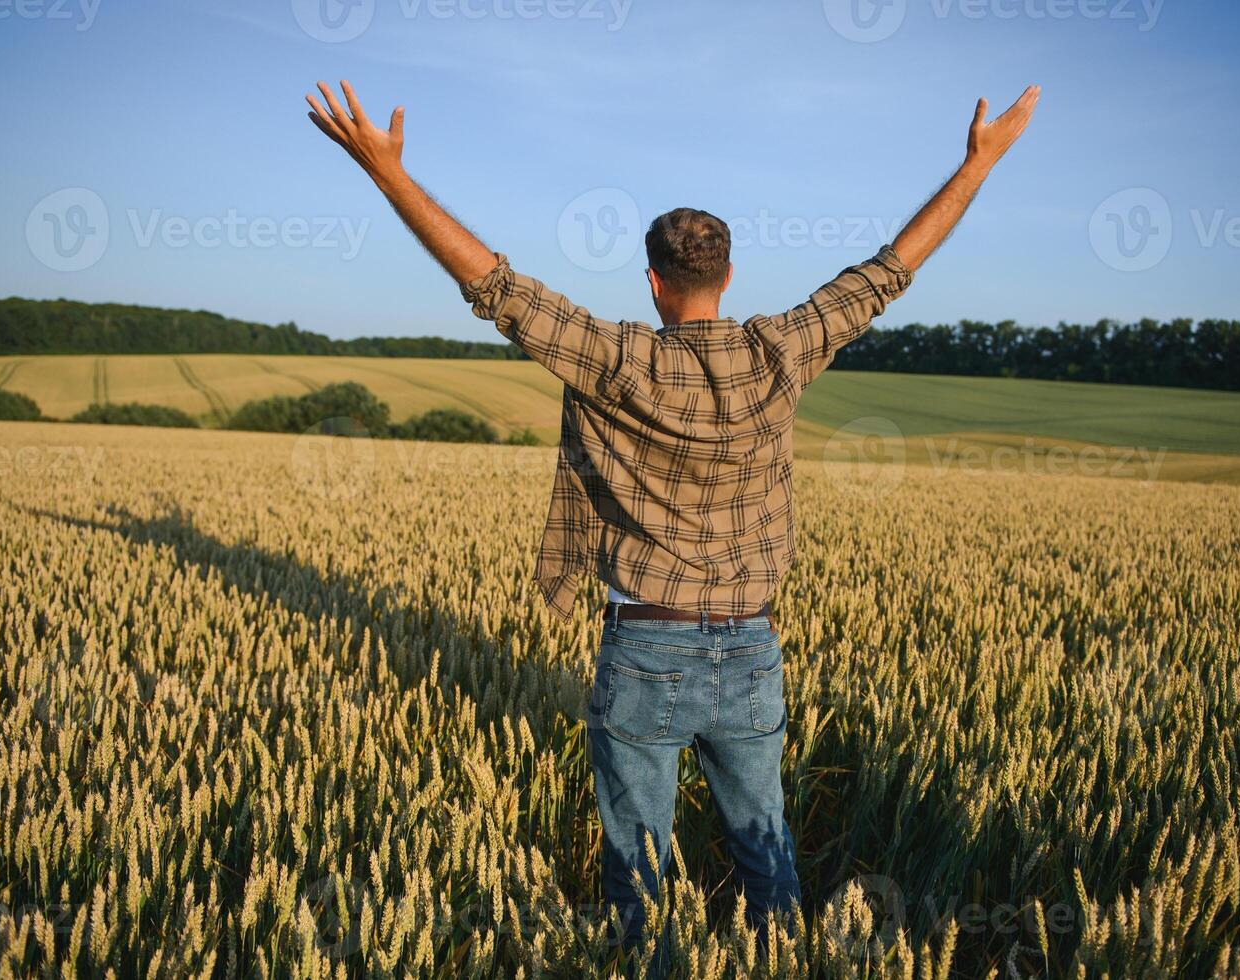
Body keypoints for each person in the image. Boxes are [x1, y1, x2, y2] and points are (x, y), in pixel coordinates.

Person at [306, 78, 1040, 951]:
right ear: (727, 277)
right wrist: (978, 162)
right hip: (751, 645)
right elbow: (886, 273)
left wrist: (388, 173)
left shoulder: (615, 359)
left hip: (645, 641)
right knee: (767, 853)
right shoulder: (783, 350)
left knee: (638, 864)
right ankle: (780, 963)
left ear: (654, 282)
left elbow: (494, 285)